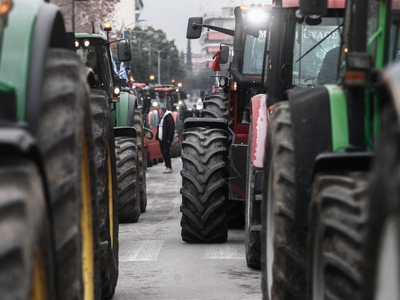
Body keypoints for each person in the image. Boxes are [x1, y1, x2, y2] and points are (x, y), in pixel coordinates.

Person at [156, 107, 175, 173]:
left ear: (163, 111)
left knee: (166, 152)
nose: (159, 112)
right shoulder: (162, 118)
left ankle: (169, 167)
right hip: (162, 139)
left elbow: (171, 128)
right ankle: (167, 166)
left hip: (166, 139)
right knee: (163, 152)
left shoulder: (168, 118)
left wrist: (169, 138)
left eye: (160, 111)